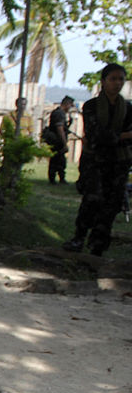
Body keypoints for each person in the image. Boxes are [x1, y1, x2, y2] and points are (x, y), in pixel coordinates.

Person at [62, 63, 132, 255]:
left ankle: (98, 244)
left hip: (118, 163)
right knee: (92, 200)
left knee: (112, 205)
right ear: (103, 82)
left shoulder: (126, 107)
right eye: (113, 79)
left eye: (121, 79)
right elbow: (96, 135)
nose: (117, 83)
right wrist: (123, 136)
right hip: (95, 162)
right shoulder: (92, 106)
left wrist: (118, 137)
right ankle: (79, 238)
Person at [44, 96, 75, 184]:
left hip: (57, 140)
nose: (70, 108)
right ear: (67, 104)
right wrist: (64, 143)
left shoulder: (59, 113)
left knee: (60, 160)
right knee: (56, 160)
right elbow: (60, 129)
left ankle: (60, 178)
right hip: (57, 141)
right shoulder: (59, 114)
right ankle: (54, 179)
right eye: (70, 105)